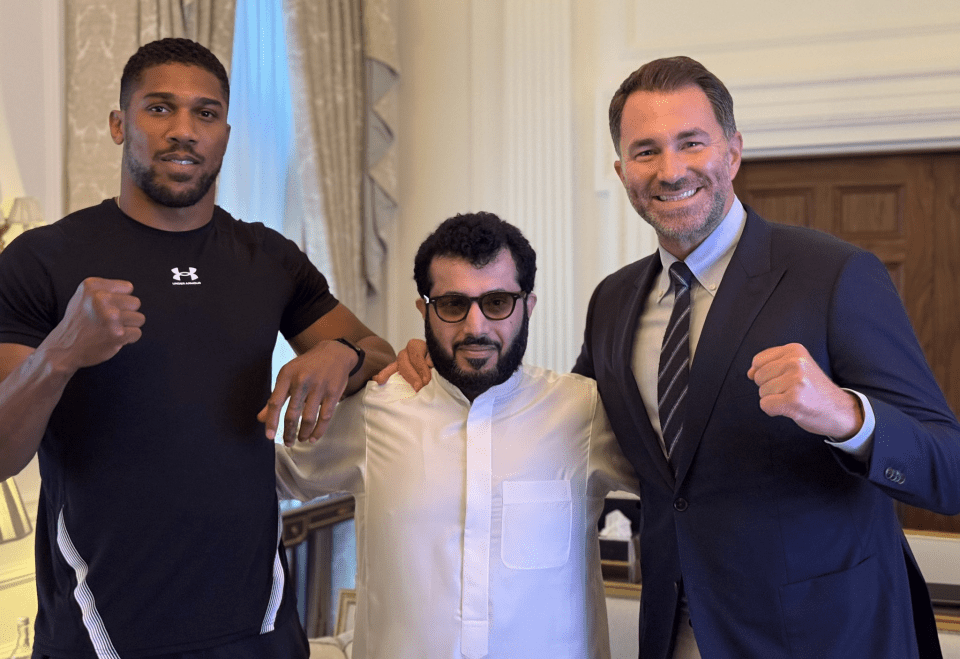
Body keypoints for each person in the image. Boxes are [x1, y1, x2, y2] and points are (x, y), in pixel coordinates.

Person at [391, 57, 960, 659]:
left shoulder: (835, 275)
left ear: (733, 152)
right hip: (675, 633)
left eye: (692, 143)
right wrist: (442, 361)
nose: (671, 169)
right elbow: (561, 429)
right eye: (645, 151)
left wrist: (848, 416)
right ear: (621, 170)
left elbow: (948, 467)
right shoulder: (613, 300)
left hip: (827, 635)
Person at [0, 38, 395, 658]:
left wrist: (338, 353)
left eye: (205, 114)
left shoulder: (267, 257)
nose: (183, 131)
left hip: (259, 632)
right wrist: (61, 352)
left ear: (226, 134)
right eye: (159, 109)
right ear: (118, 124)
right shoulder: (41, 260)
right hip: (101, 636)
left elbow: (378, 351)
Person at [275, 212, 638, 659]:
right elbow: (264, 472)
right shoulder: (376, 410)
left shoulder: (583, 410)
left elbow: (685, 489)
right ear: (423, 310)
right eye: (452, 305)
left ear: (528, 306)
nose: (475, 327)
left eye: (498, 302)